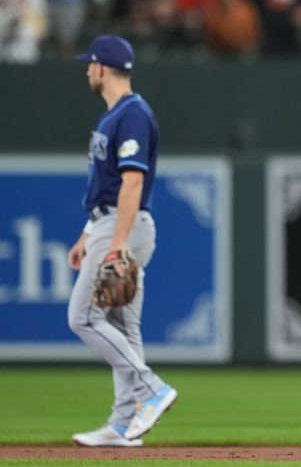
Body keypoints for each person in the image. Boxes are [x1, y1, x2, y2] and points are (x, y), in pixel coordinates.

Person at [67, 34, 177, 447]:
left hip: (123, 226)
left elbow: (132, 183)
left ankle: (152, 388)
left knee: (82, 317)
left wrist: (114, 242)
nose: (87, 71)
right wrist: (87, 233)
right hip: (109, 223)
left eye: (89, 64)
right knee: (122, 326)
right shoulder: (113, 115)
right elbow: (110, 187)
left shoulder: (132, 114)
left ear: (101, 68)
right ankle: (121, 425)